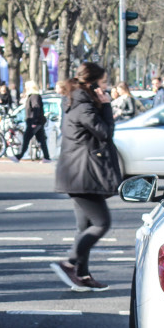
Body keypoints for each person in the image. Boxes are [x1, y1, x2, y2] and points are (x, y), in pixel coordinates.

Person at [52, 62, 122, 292]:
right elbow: (104, 133)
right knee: (102, 223)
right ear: (91, 83)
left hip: (80, 171)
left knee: (85, 226)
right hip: (82, 173)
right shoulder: (83, 105)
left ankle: (81, 274)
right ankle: (69, 262)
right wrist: (107, 107)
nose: (106, 87)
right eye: (103, 83)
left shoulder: (80, 100)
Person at [13, 79, 51, 162]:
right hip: (37, 122)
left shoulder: (34, 96)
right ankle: (47, 157)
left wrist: (34, 121)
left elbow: (36, 108)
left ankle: (19, 156)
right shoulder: (34, 96)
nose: (25, 88)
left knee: (26, 139)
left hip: (34, 122)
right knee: (41, 140)